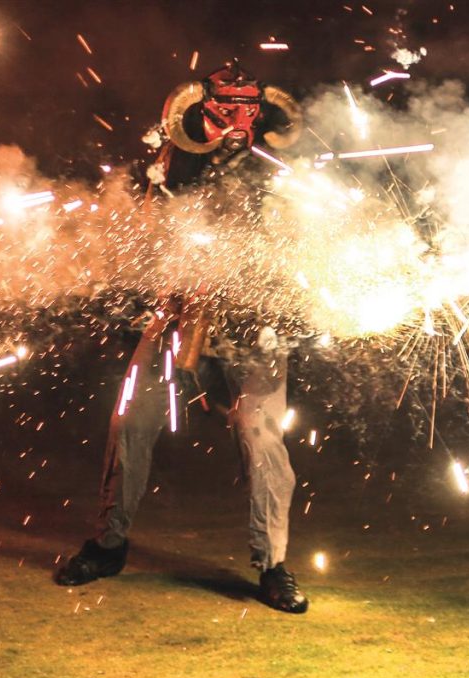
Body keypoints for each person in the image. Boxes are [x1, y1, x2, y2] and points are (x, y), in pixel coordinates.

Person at [55, 62, 310, 613]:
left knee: (261, 437)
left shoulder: (282, 167)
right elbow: (149, 228)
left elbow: (301, 240)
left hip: (252, 320)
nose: (236, 122)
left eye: (246, 109)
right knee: (132, 418)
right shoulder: (175, 160)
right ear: (201, 111)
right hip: (181, 310)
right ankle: (108, 544)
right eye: (225, 110)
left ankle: (273, 566)